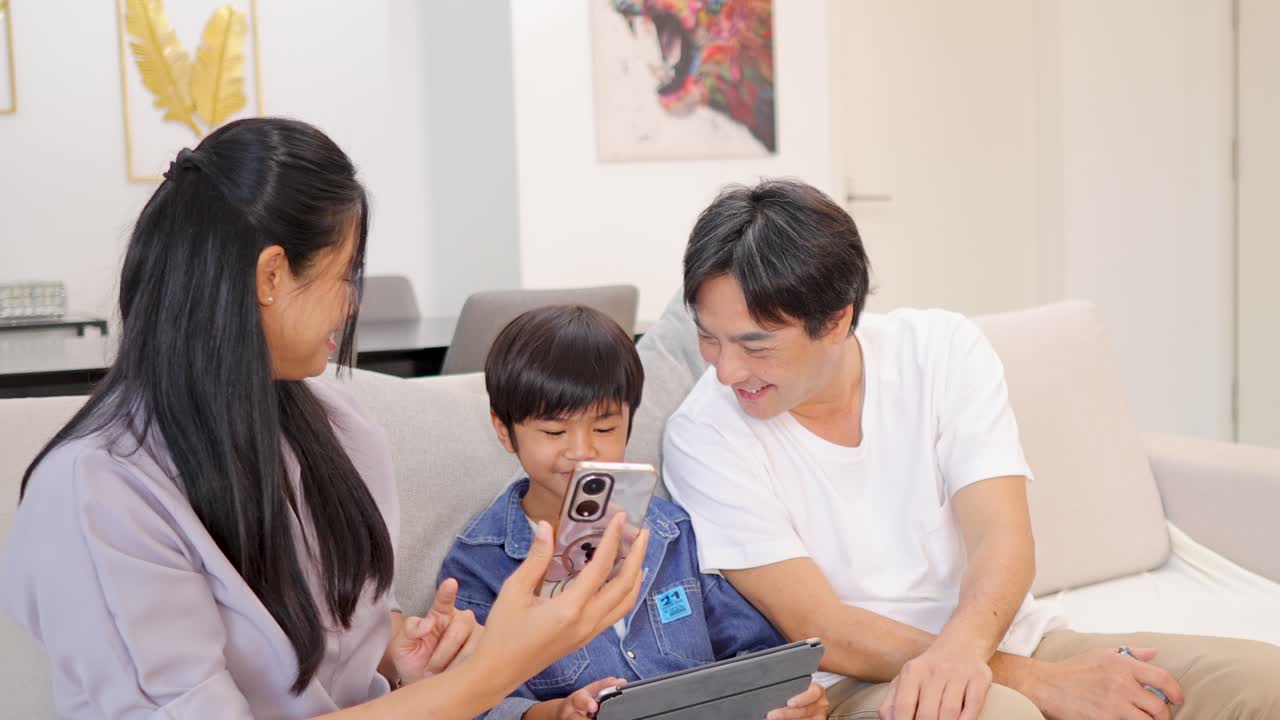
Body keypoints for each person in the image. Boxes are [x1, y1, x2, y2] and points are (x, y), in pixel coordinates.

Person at [0, 118, 647, 720]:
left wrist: (399, 649)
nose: (351, 303)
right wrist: (492, 672)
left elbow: (344, 628)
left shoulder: (337, 424)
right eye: (346, 274)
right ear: (272, 276)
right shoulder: (98, 492)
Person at [661, 178, 1280, 720]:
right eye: (708, 339)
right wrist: (1044, 685)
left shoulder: (942, 350)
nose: (725, 371)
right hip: (860, 680)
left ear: (837, 319)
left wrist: (981, 655)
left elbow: (1002, 537)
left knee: (1263, 685)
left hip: (1008, 642)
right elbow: (823, 629)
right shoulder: (705, 434)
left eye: (755, 345)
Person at [437, 305, 828, 720]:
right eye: (554, 432)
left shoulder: (674, 534)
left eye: (604, 429)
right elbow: (472, 703)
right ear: (505, 430)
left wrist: (793, 696)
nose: (582, 450)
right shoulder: (480, 564)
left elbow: (753, 651)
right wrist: (553, 713)